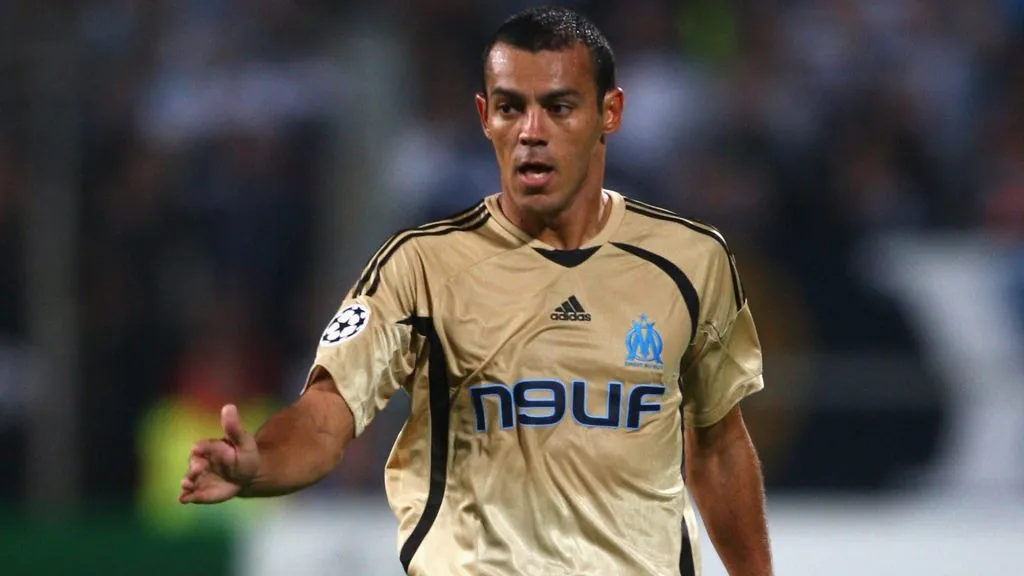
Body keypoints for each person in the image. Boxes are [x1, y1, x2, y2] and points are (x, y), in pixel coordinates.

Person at [179, 6, 773, 575]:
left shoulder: (690, 262)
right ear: (485, 115)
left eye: (559, 107)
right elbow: (326, 415)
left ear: (609, 112)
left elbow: (718, 446)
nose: (531, 132)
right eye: (511, 108)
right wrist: (263, 463)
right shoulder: (422, 267)